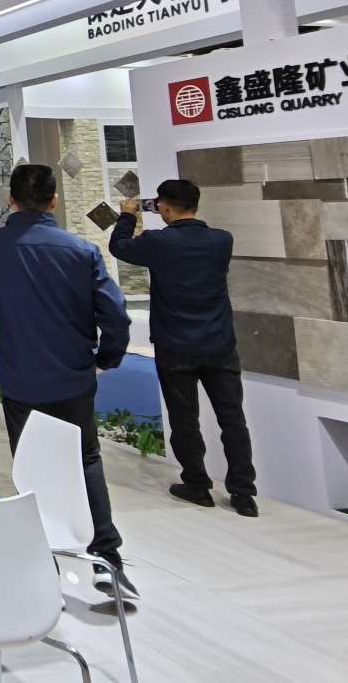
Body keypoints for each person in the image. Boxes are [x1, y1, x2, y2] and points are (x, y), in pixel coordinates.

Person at [0, 164, 136, 602]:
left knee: (30, 465)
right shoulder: (82, 251)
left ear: (11, 200)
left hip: (22, 381)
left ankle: (42, 560)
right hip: (74, 378)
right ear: (54, 200)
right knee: (86, 461)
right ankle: (107, 559)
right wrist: (106, 358)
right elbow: (115, 314)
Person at [109, 178, 258, 517]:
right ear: (196, 204)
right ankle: (243, 493)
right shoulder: (222, 240)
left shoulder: (158, 242)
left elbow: (119, 247)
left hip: (175, 344)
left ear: (163, 206)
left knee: (184, 419)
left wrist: (128, 215)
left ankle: (197, 484)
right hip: (219, 343)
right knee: (233, 419)